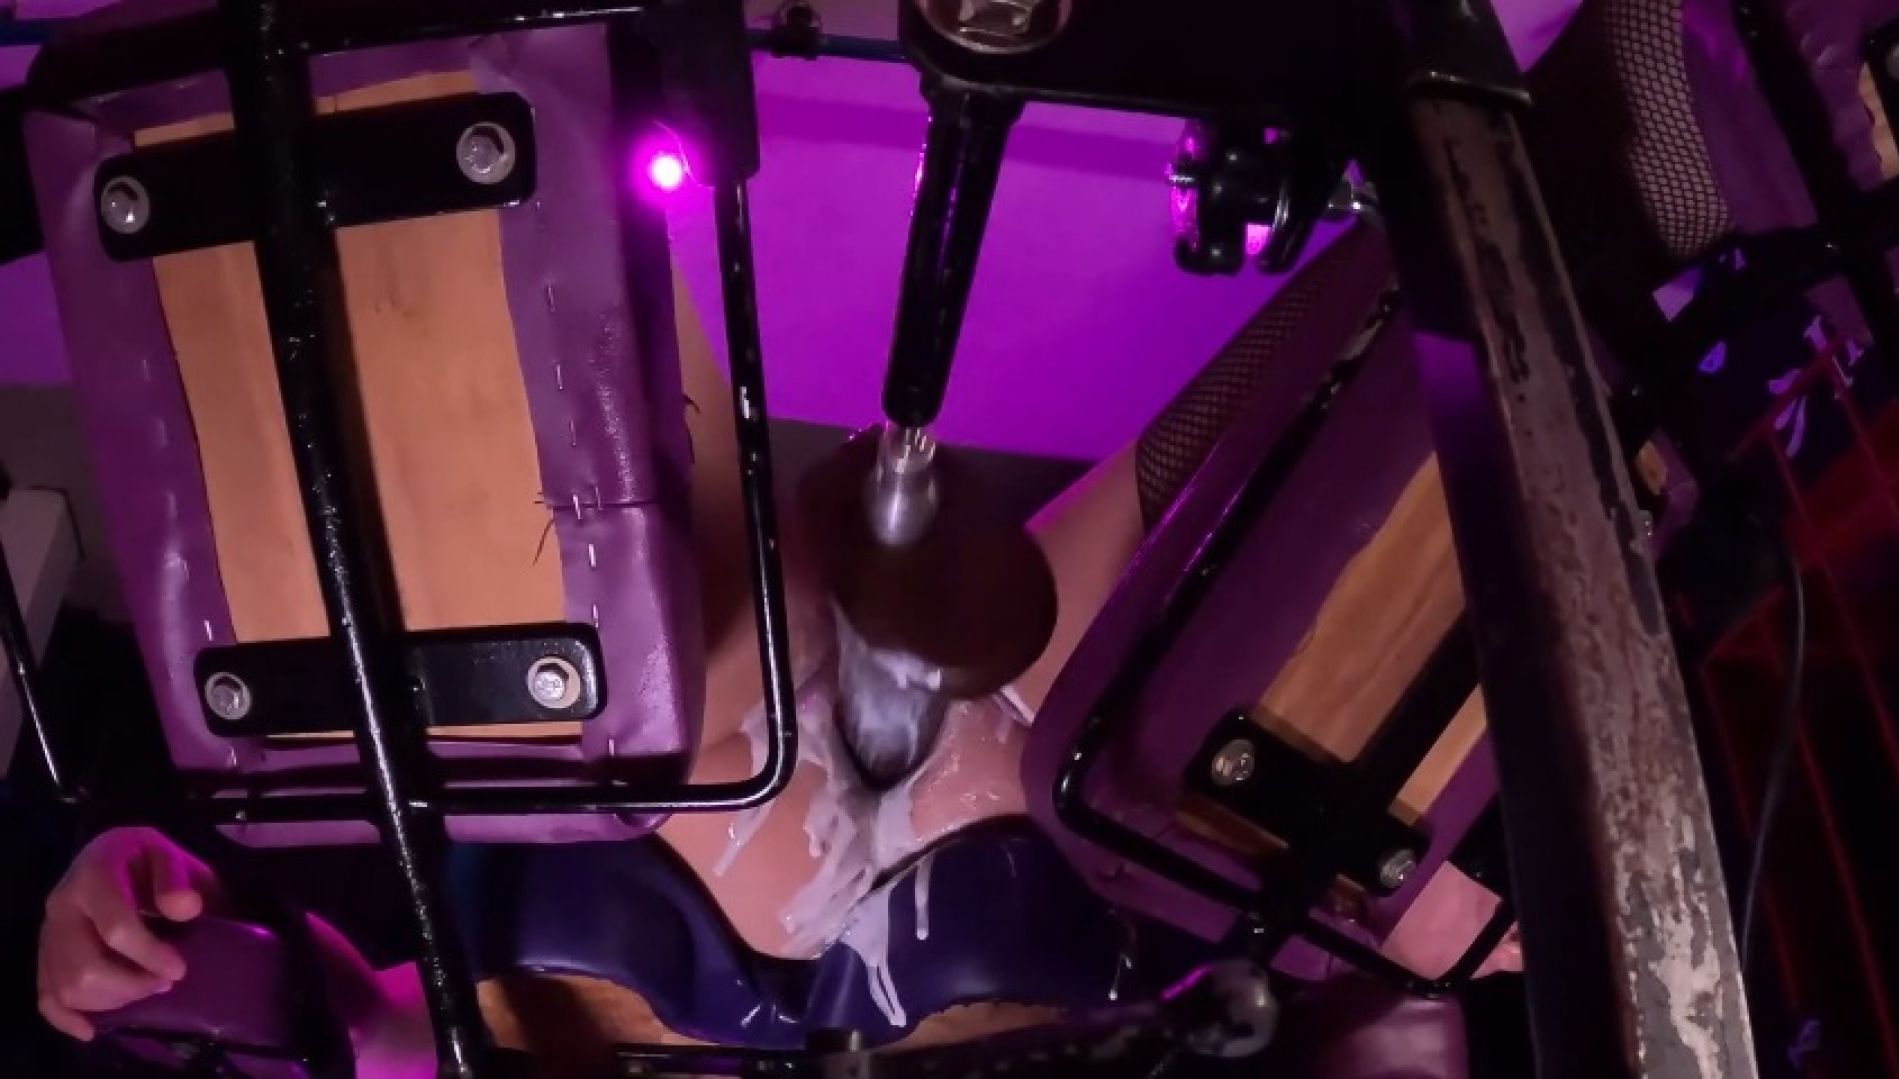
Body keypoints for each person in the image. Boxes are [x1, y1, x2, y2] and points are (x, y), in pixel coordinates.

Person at [36, 229, 1516, 1072]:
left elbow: (364, 1028)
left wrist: (136, 920)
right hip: (1064, 789)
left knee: (433, 148)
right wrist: (1386, 954)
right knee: (1483, 276)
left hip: (664, 775)